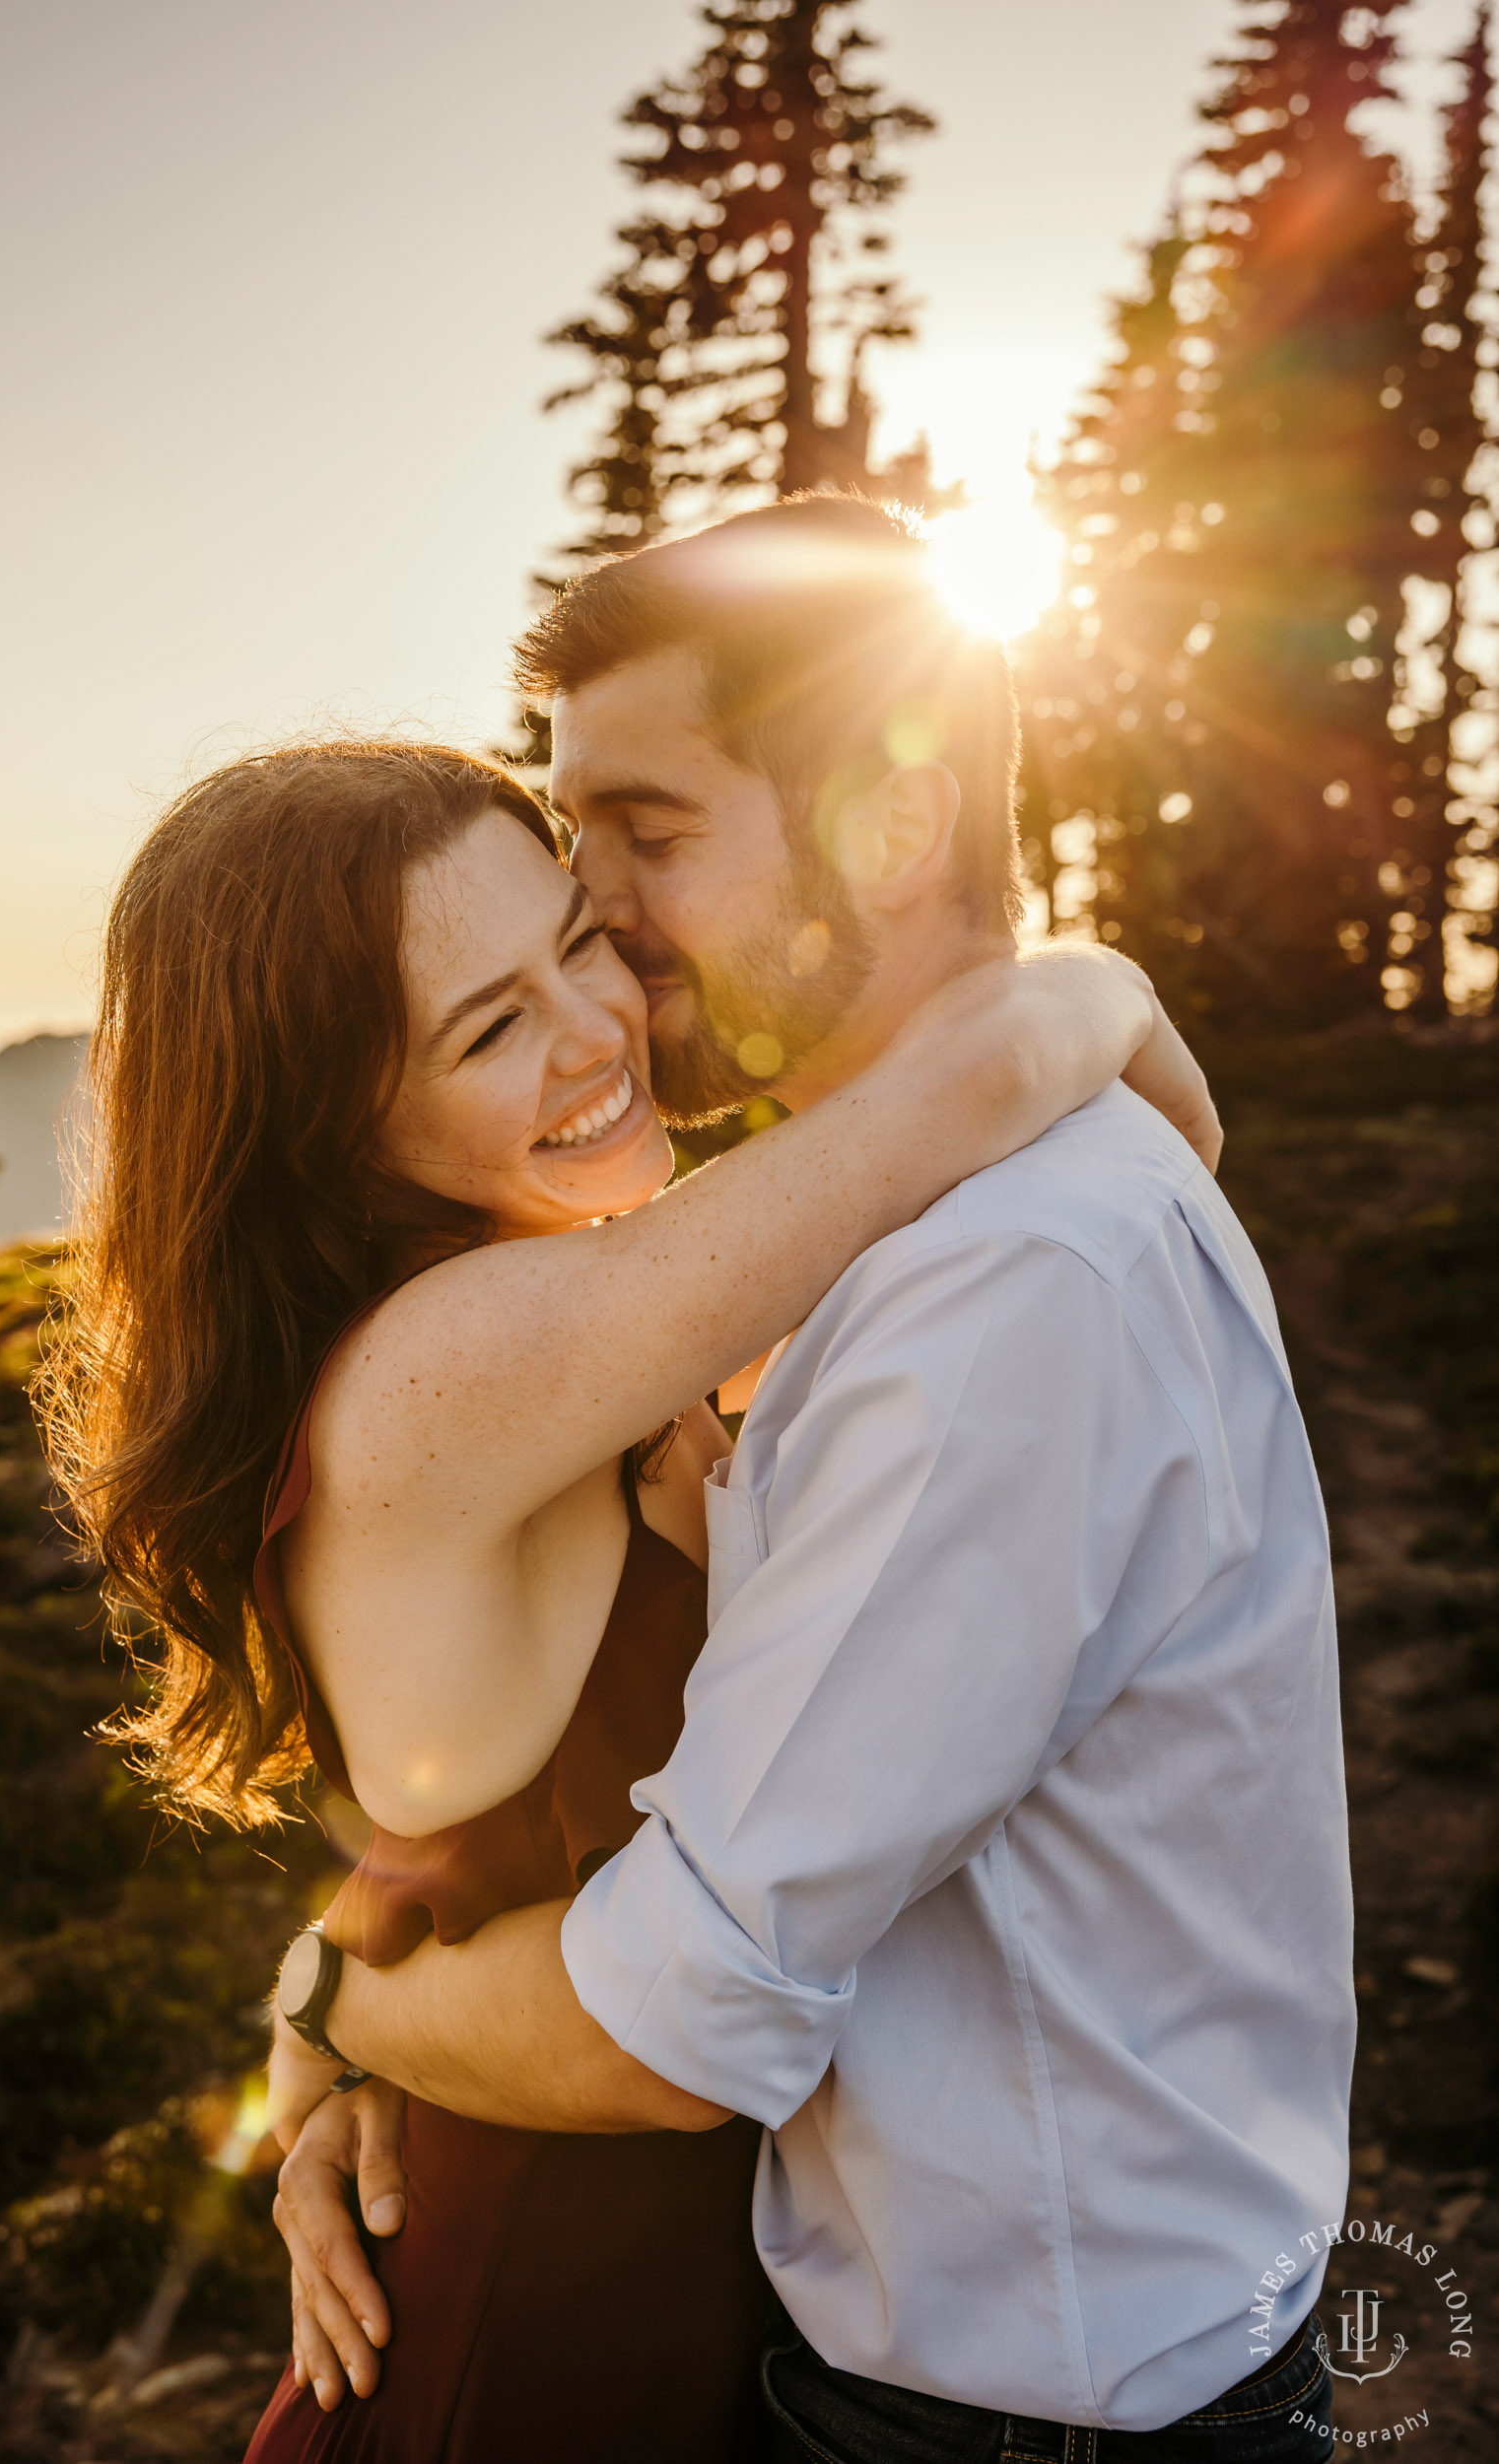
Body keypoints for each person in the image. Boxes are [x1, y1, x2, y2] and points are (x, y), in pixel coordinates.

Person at [270, 498, 1354, 2464]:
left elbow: (678, 2011)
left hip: (1017, 2420)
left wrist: (345, 2001)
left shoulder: (1006, 1280)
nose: (598, 921)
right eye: (570, 844)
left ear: (892, 822)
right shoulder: (836, 1242)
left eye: (650, 833)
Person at [40, 682, 1210, 2456]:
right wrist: (1118, 996)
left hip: (674, 2321)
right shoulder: (455, 1367)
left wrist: (331, 2005)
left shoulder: (561, 1322)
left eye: (584, 939)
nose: (598, 1027)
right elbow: (950, 1101)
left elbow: (457, 1846)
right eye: (491, 1026)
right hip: (517, 2358)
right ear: (331, 1130)